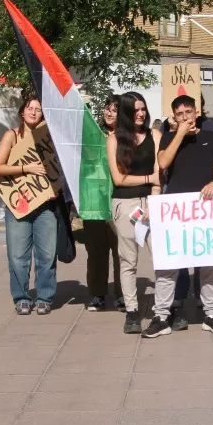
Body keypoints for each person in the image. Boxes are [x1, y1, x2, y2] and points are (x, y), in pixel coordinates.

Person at [144, 93, 213, 336]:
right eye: (180, 114)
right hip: (176, 210)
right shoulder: (169, 137)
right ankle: (161, 316)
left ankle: (210, 313)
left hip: (205, 208)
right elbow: (162, 163)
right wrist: (180, 133)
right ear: (174, 116)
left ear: (197, 113)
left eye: (188, 113)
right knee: (168, 265)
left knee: (208, 265)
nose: (185, 118)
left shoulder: (211, 137)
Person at [0, 91, 60, 315]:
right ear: (22, 112)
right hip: (19, 205)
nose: (34, 112)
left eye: (38, 109)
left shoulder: (49, 137)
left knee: (47, 254)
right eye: (30, 108)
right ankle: (21, 296)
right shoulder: (12, 136)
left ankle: (45, 296)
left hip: (45, 205)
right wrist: (26, 168)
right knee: (18, 255)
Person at [108, 92, 157, 335]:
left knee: (161, 257)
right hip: (125, 204)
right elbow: (118, 178)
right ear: (127, 112)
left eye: (143, 109)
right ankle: (132, 311)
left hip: (152, 203)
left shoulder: (154, 135)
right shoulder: (114, 139)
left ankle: (164, 309)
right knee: (128, 260)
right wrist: (149, 178)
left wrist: (153, 200)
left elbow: (161, 173)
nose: (141, 113)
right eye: (136, 109)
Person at [83, 97, 123, 313]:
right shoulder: (91, 135)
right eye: (107, 109)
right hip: (94, 201)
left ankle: (122, 294)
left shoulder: (126, 137)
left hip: (120, 199)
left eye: (115, 110)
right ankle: (97, 294)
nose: (110, 113)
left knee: (122, 252)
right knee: (96, 252)